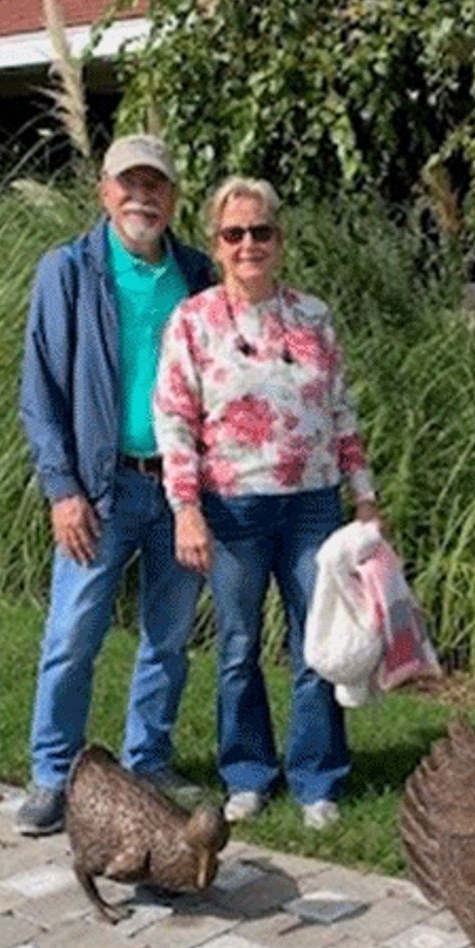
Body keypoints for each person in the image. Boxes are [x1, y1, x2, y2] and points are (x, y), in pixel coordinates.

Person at [152, 176, 379, 830]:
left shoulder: (313, 316)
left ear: (279, 239)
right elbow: (173, 419)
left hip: (312, 504)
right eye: (233, 234)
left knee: (319, 643)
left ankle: (317, 779)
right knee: (238, 645)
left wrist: (363, 497)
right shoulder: (192, 321)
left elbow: (342, 411)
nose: (248, 244)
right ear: (215, 244)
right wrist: (186, 508)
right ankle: (247, 774)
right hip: (231, 508)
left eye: (261, 231)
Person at [14, 134, 214, 835]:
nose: (142, 197)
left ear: (174, 198)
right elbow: (39, 391)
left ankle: (148, 759)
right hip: (99, 490)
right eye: (129, 184)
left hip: (180, 491)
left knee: (167, 636)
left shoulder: (199, 274)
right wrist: (61, 488)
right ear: (104, 191)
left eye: (155, 185)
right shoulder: (69, 270)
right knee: (73, 634)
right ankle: (52, 772)